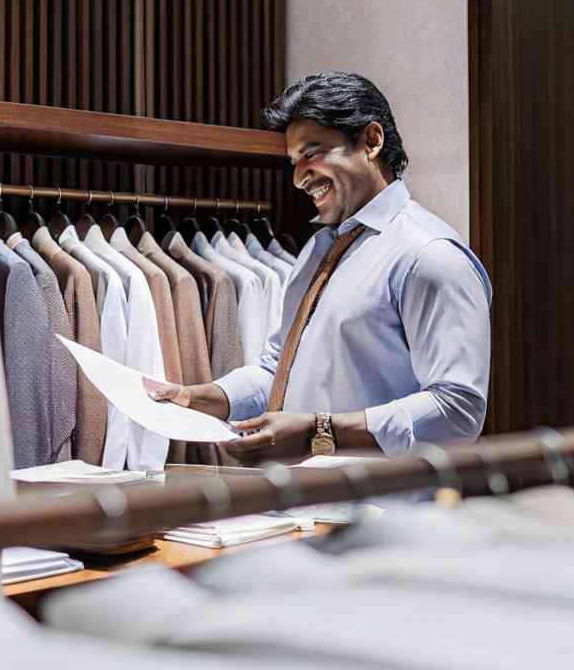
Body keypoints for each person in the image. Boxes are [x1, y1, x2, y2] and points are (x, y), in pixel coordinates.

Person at [151, 71, 492, 461]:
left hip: (384, 514)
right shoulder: (317, 249)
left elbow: (459, 410)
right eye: (293, 162)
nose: (298, 178)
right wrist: (208, 398)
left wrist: (322, 431)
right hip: (304, 510)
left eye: (312, 153)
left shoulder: (430, 255)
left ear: (371, 141)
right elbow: (280, 367)